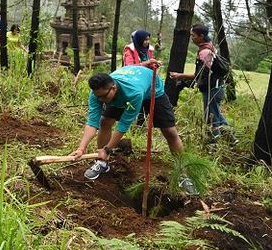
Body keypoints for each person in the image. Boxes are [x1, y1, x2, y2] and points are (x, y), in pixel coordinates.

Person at [68, 66, 199, 195]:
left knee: (170, 131)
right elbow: (92, 122)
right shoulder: (98, 94)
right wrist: (81, 148)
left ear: (113, 88)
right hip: (125, 92)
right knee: (105, 121)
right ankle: (102, 163)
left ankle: (183, 174)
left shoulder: (133, 92)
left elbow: (123, 125)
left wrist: (107, 149)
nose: (101, 100)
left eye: (103, 97)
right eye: (98, 97)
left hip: (152, 89)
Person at [169, 24, 238, 144]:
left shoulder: (205, 52)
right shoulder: (210, 47)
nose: (192, 38)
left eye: (193, 35)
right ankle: (231, 138)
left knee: (212, 116)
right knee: (215, 113)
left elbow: (200, 74)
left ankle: (213, 143)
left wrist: (180, 76)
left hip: (213, 88)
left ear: (201, 36)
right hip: (217, 87)